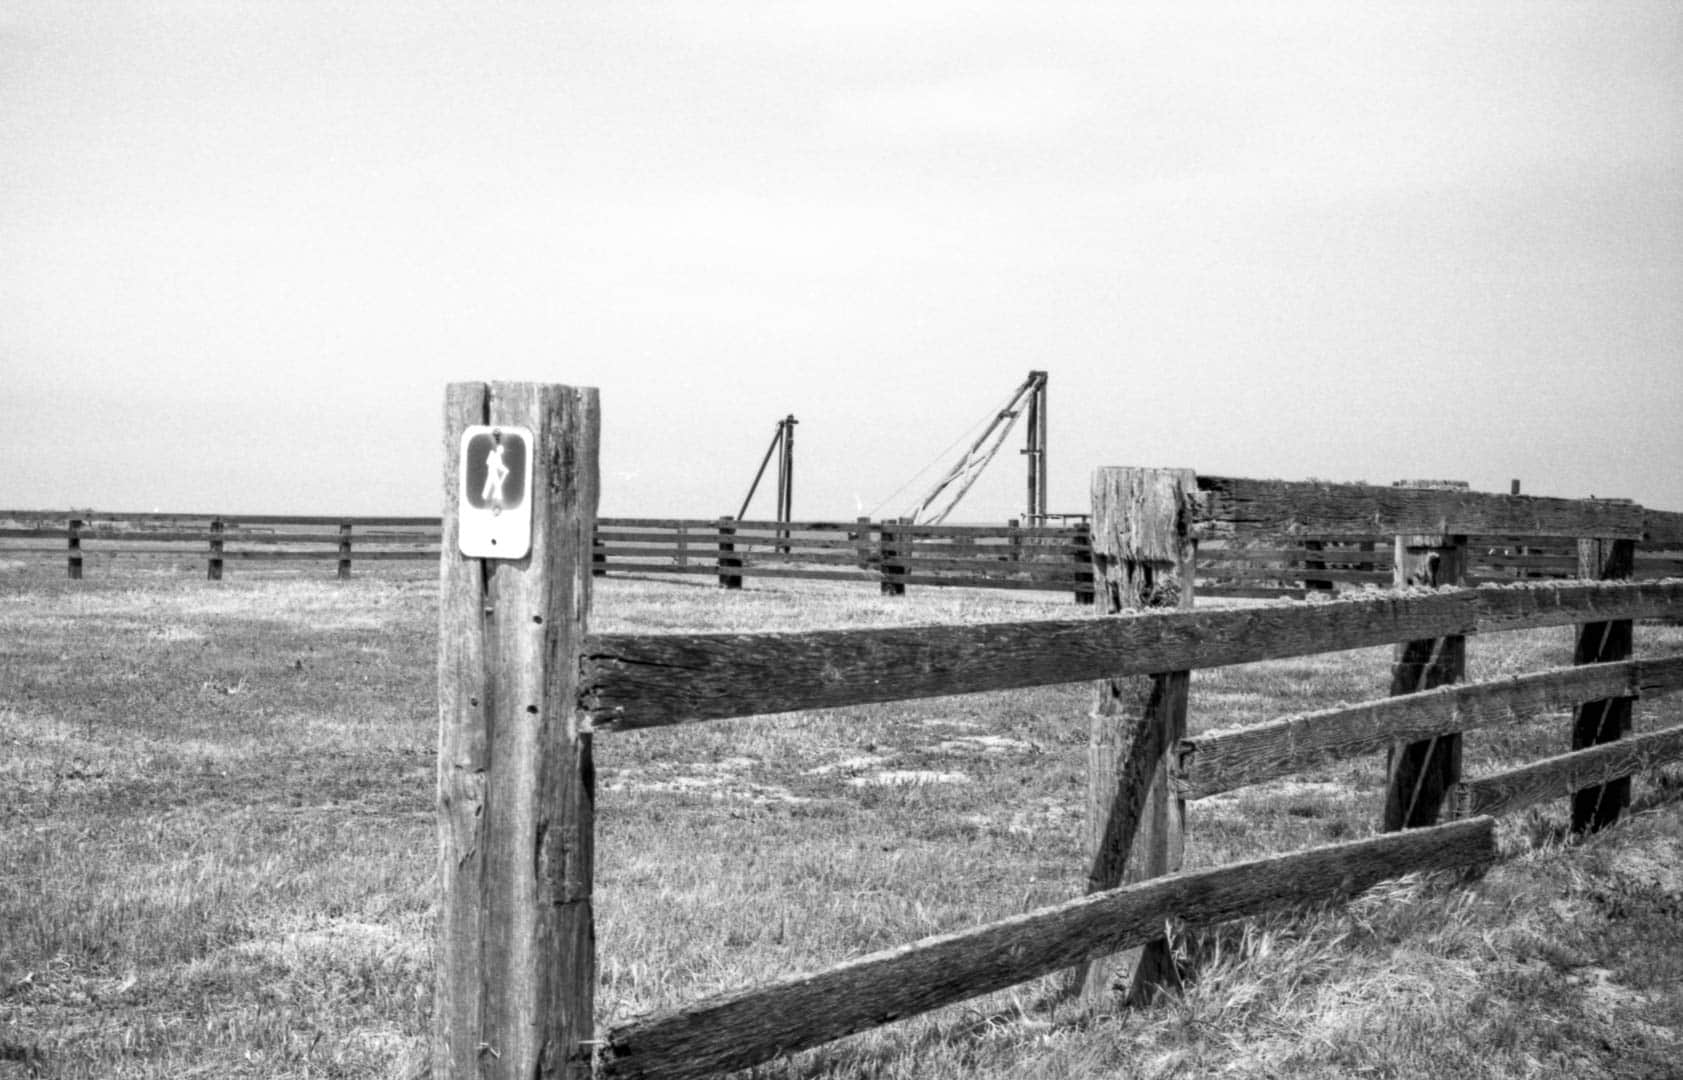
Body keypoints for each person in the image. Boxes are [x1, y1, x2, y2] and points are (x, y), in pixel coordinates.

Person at [481, 437, 511, 513]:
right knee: (496, 484)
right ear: (499, 450)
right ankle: (495, 497)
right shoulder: (493, 454)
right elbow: (490, 463)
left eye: (502, 450)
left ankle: (489, 496)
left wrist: (505, 469)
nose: (502, 451)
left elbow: (500, 465)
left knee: (492, 484)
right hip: (492, 471)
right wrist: (503, 469)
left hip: (493, 471)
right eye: (501, 450)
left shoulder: (498, 456)